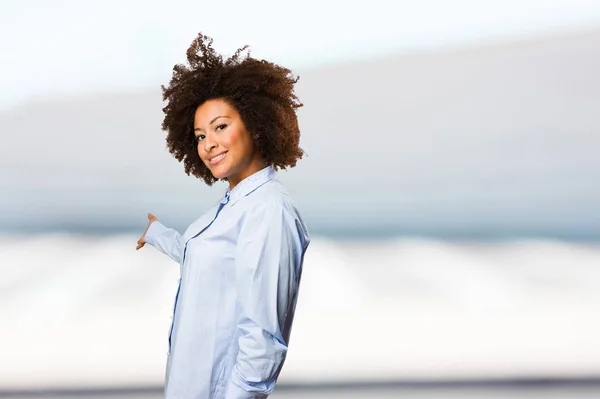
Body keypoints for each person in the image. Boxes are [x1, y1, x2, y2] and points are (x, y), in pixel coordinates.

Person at [135, 33, 310, 399]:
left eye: (220, 126)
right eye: (199, 135)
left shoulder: (268, 211)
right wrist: (157, 233)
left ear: (256, 124)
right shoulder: (234, 204)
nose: (208, 144)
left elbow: (263, 340)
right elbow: (205, 259)